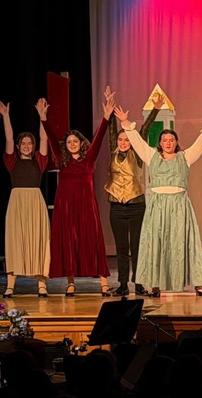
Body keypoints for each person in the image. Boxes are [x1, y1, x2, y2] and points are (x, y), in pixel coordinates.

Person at [115, 105, 202, 297]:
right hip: (158, 206)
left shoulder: (185, 157)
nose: (168, 143)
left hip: (179, 206)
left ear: (176, 142)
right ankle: (155, 283)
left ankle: (197, 283)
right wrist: (125, 122)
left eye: (171, 140)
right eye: (164, 140)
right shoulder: (151, 156)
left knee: (185, 243)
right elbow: (137, 142)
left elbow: (199, 144)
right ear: (160, 143)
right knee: (157, 243)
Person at [42, 93, 114, 296]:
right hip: (65, 207)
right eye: (69, 142)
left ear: (82, 143)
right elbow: (52, 140)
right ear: (65, 145)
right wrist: (43, 119)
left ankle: (103, 283)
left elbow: (98, 139)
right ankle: (70, 282)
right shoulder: (62, 159)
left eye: (75, 141)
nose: (72, 144)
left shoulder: (89, 158)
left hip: (86, 206)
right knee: (69, 242)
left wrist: (106, 117)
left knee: (93, 240)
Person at [104, 87, 161, 296]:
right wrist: (110, 108)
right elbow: (111, 130)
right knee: (121, 248)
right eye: (121, 140)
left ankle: (138, 284)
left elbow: (143, 130)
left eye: (126, 140)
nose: (123, 143)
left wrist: (155, 109)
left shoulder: (137, 153)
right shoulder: (113, 151)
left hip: (136, 205)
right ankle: (122, 284)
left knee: (137, 247)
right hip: (116, 206)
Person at [1, 99, 50, 297]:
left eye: (30, 143)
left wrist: (42, 117)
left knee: (38, 240)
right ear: (19, 146)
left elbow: (44, 139)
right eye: (23, 143)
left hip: (35, 202)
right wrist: (6, 116)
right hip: (17, 203)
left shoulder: (40, 161)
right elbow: (9, 138)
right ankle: (10, 285)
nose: (27, 146)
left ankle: (41, 284)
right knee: (15, 241)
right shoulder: (11, 161)